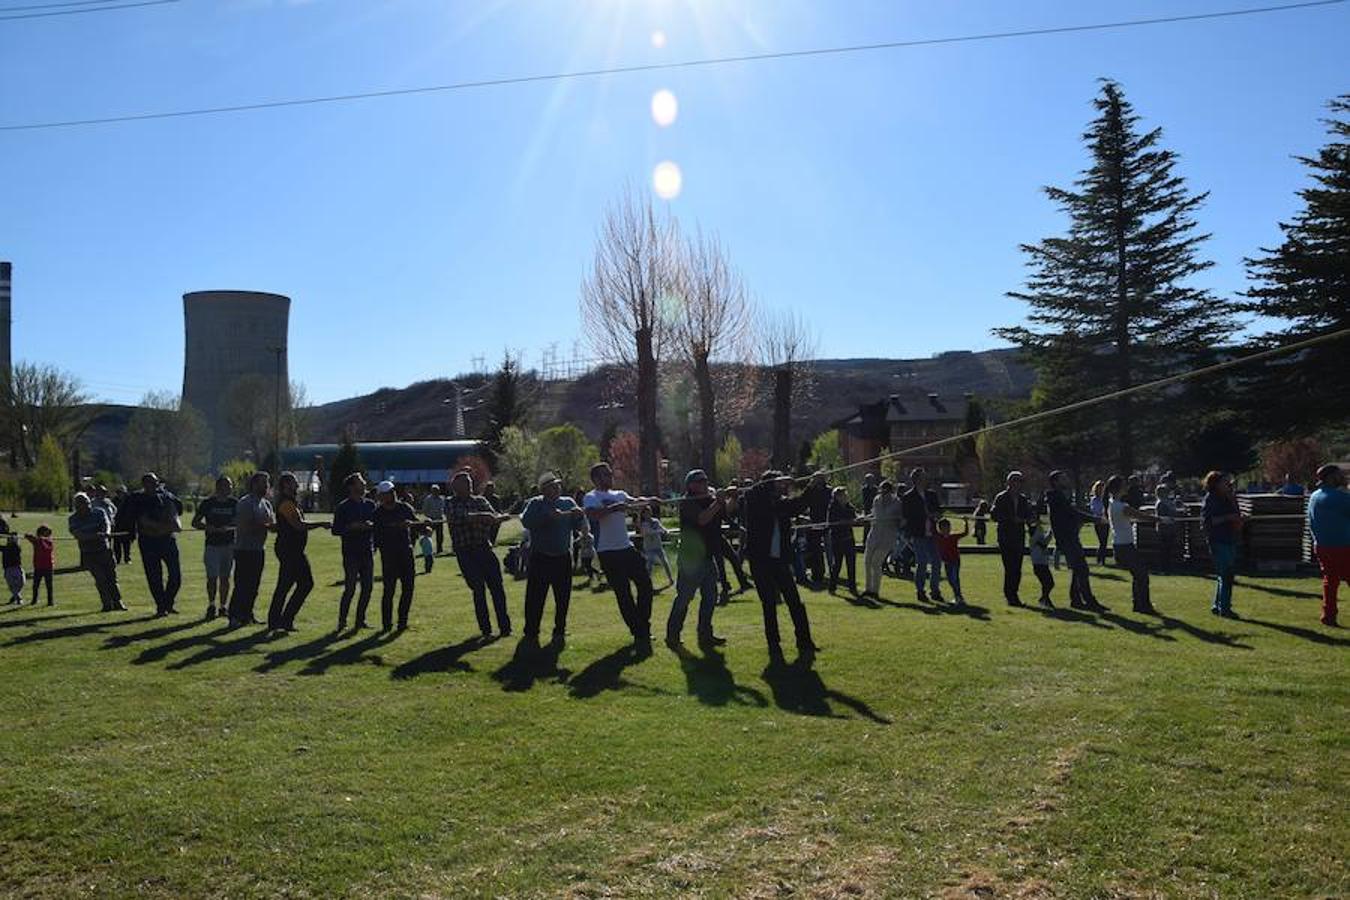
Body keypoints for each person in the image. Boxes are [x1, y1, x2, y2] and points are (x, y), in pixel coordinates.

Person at [743, 470, 818, 662]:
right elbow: (753, 492)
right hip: (760, 561)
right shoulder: (755, 500)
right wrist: (775, 480)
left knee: (795, 602)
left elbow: (799, 505)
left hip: (780, 561)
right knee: (769, 604)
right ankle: (774, 645)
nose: (781, 489)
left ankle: (804, 640)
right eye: (776, 485)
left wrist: (812, 484)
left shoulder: (781, 503)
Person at [584, 462, 659, 647]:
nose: (609, 477)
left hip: (626, 548)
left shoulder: (619, 494)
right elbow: (593, 515)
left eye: (609, 474)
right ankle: (639, 631)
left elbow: (634, 501)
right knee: (623, 594)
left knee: (645, 585)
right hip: (607, 552)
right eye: (604, 475)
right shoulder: (591, 497)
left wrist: (650, 500)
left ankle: (643, 624)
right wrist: (613, 508)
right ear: (594, 479)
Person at [446, 470, 515, 638]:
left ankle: (505, 628)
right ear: (456, 487)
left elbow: (493, 517)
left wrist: (498, 518)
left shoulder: (480, 500)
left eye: (470, 482)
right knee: (478, 588)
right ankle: (486, 629)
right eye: (465, 483)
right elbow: (458, 517)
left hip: (484, 548)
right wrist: (482, 517)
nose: (470, 485)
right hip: (465, 552)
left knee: (497, 588)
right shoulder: (450, 503)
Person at [519, 471, 587, 641]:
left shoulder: (568, 502)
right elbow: (526, 522)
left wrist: (579, 516)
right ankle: (531, 631)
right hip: (540, 557)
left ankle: (560, 630)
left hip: (563, 557)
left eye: (558, 485)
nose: (557, 488)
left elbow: (577, 526)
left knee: (563, 598)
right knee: (535, 598)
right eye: (552, 486)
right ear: (544, 490)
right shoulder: (535, 503)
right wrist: (546, 517)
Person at [665, 469, 729, 648]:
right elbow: (702, 519)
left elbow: (726, 512)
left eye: (706, 480)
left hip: (708, 556)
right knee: (684, 598)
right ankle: (672, 635)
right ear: (691, 485)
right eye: (700, 481)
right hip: (691, 559)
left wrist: (732, 496)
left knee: (710, 597)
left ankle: (705, 635)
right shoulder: (687, 502)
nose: (705, 483)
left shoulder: (710, 499)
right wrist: (718, 502)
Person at [267, 472, 325, 632]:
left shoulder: (292, 502)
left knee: (294, 584)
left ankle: (281, 621)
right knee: (298, 584)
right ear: (285, 485)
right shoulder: (286, 503)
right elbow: (298, 525)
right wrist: (321, 524)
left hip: (294, 549)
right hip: (289, 550)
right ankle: (279, 621)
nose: (297, 485)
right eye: (293, 482)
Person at [1041, 471, 1107, 612]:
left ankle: (1076, 600)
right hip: (1067, 537)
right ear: (1055, 481)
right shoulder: (1057, 497)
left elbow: (1072, 512)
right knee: (1082, 569)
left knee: (1078, 569)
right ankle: (1088, 600)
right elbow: (1072, 513)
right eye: (1062, 478)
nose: (1066, 479)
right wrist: (1095, 519)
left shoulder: (1059, 496)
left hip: (1069, 536)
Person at [122, 473, 184, 617]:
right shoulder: (138, 500)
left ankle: (168, 603)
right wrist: (164, 526)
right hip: (148, 542)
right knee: (154, 577)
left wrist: (165, 527)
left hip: (168, 541)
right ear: (143, 485)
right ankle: (161, 607)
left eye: (154, 482)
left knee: (176, 576)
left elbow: (176, 519)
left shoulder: (167, 497)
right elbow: (144, 522)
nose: (152, 486)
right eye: (148, 483)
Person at [1106, 474, 1158, 615]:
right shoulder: (1121, 506)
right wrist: (1160, 519)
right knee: (1142, 575)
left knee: (1139, 575)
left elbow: (1134, 516)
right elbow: (1140, 516)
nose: (1126, 487)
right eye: (1124, 485)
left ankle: (1139, 605)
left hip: (1121, 545)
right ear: (1119, 488)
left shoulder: (1112, 503)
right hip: (1125, 546)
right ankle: (1143, 606)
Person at [228, 472, 275, 628]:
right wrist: (264, 525)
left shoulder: (266, 504)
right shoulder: (245, 503)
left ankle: (247, 614)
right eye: (263, 482)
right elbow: (244, 526)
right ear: (254, 484)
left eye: (267, 482)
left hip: (259, 549)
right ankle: (234, 616)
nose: (266, 485)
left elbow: (271, 524)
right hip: (244, 549)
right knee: (242, 584)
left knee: (254, 585)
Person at [331, 472, 377, 630]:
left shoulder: (370, 505)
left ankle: (360, 620)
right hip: (351, 552)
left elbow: (378, 525)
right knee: (350, 588)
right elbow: (335, 530)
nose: (364, 484)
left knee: (368, 587)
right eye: (360, 482)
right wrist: (350, 527)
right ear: (351, 487)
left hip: (367, 550)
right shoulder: (343, 507)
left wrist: (370, 526)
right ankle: (342, 621)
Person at [372, 479, 419, 631]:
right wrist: (395, 526)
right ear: (381, 496)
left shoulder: (405, 508)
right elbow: (376, 534)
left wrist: (424, 527)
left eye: (391, 493)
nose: (389, 496)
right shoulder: (377, 513)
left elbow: (416, 523)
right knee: (389, 590)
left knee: (408, 588)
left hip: (406, 551)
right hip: (389, 555)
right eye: (385, 494)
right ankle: (387, 623)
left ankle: (402, 621)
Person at [1308, 464, 1350, 627]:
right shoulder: (1341, 498)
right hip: (1343, 546)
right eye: (1339, 475)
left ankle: (1328, 615)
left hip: (1322, 545)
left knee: (1330, 582)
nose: (1343, 477)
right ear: (1331, 477)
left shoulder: (1314, 496)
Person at [68, 491, 125, 611]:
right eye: (82, 504)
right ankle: (106, 604)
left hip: (105, 550)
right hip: (89, 553)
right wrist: (95, 536)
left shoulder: (99, 512)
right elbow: (78, 535)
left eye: (87, 503)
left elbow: (107, 525)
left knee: (112, 578)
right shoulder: (73, 519)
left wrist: (106, 533)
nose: (86, 506)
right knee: (100, 579)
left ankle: (118, 602)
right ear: (77, 506)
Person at [192, 475, 238, 620]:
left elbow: (240, 522)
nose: (229, 488)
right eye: (226, 485)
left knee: (225, 578)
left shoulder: (235, 503)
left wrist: (230, 527)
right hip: (212, 546)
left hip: (229, 546)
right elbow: (195, 522)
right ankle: (211, 605)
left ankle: (223, 607)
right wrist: (208, 527)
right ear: (218, 487)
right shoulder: (208, 503)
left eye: (230, 485)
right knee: (212, 578)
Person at [1201, 471, 1243, 619]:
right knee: (1226, 574)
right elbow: (1208, 522)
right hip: (1218, 540)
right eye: (1225, 482)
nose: (1228, 484)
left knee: (1224, 574)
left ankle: (1217, 605)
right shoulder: (1211, 500)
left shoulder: (1227, 498)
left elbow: (1236, 513)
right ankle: (1224, 608)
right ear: (1216, 484)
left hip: (1230, 538)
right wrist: (1228, 517)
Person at [901, 467, 943, 603]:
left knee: (936, 562)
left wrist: (936, 515)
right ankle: (920, 591)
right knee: (922, 563)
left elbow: (938, 511)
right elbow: (907, 516)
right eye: (923, 477)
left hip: (932, 533)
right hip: (919, 534)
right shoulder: (908, 497)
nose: (926, 479)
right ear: (917, 479)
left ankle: (935, 590)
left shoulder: (932, 495)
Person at [991, 471, 1032, 607]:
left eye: (1020, 481)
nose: (1018, 484)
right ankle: (1011, 596)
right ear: (1009, 483)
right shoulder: (1001, 497)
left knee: (1017, 568)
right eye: (1015, 481)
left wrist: (1027, 519)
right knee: (1010, 567)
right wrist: (1010, 519)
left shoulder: (1023, 499)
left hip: (1018, 537)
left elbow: (1028, 514)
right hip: (1005, 537)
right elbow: (994, 515)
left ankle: (1014, 593)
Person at [862, 480, 901, 600]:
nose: (883, 493)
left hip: (888, 536)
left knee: (876, 562)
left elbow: (900, 519)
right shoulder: (877, 499)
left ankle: (875, 591)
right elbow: (874, 514)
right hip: (874, 533)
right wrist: (862, 517)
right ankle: (868, 589)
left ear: (891, 491)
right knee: (867, 561)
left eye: (886, 491)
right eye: (882, 490)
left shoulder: (897, 502)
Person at [826, 486, 858, 595]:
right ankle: (832, 586)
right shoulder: (832, 507)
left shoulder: (849, 506)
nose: (846, 496)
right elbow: (832, 523)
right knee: (837, 564)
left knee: (851, 564)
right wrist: (845, 521)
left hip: (849, 538)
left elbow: (853, 517)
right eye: (844, 495)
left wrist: (854, 519)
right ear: (838, 497)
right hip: (837, 539)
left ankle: (852, 587)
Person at [801, 472, 830, 587]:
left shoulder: (828, 491)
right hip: (813, 522)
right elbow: (803, 501)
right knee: (815, 549)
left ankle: (831, 572)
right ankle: (817, 573)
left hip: (826, 523)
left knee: (829, 550)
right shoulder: (811, 491)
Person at [934, 517, 968, 605]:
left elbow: (965, 533)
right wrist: (935, 519)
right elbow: (933, 529)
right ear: (940, 529)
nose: (947, 530)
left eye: (948, 528)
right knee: (950, 579)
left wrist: (965, 522)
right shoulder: (938, 537)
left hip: (955, 561)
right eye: (944, 528)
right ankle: (957, 595)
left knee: (955, 578)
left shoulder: (954, 536)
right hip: (946, 562)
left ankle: (959, 596)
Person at [638, 506, 673, 587]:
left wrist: (665, 530)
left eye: (649, 512)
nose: (648, 514)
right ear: (643, 514)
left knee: (665, 562)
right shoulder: (643, 524)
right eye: (646, 513)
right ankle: (647, 583)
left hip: (658, 546)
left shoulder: (655, 521)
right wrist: (659, 531)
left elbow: (661, 527)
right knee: (649, 565)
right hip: (649, 547)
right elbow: (649, 532)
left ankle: (670, 579)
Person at [23, 525, 55, 606]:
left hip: (48, 566)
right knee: (35, 585)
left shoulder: (49, 541)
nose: (49, 533)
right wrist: (29, 536)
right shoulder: (36, 541)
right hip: (38, 566)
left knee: (49, 585)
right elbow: (28, 536)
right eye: (47, 532)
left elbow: (47, 549)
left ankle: (50, 602)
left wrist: (42, 540)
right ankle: (34, 600)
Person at [1027, 519, 1055, 609]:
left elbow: (1046, 539)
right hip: (1039, 565)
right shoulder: (1033, 541)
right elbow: (1043, 541)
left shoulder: (1038, 539)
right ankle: (1044, 599)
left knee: (1048, 583)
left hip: (1043, 564)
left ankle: (1045, 599)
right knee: (1049, 583)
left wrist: (1051, 530)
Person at [1154, 485, 1182, 573]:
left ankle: (1168, 566)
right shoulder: (1161, 503)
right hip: (1164, 528)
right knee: (1165, 549)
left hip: (1170, 527)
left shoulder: (1168, 502)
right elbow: (1163, 516)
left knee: (1169, 548)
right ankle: (1164, 567)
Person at [111, 485, 135, 565]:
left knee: (126, 543)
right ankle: (117, 559)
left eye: (122, 492)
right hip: (117, 525)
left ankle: (127, 558)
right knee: (116, 544)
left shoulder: (129, 501)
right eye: (119, 492)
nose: (120, 494)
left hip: (127, 525)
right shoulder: (114, 501)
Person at [1088, 480, 1110, 565]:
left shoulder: (1105, 499)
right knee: (1102, 542)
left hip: (1106, 522)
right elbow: (1095, 510)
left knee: (1104, 542)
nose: (1101, 490)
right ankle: (1099, 559)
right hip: (1098, 522)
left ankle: (1102, 560)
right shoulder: (1094, 499)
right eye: (1100, 488)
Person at [422, 484, 447, 554]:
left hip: (439, 519)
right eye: (434, 490)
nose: (436, 492)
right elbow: (424, 510)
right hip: (431, 519)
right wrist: (429, 517)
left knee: (440, 536)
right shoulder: (428, 499)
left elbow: (444, 509)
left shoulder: (442, 499)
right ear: (432, 491)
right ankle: (427, 549)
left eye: (437, 490)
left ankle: (439, 549)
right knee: (428, 535)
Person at [3, 534, 25, 605]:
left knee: (22, 583)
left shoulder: (17, 547)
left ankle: (15, 596)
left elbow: (17, 548)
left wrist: (15, 540)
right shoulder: (5, 548)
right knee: (12, 585)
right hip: (8, 569)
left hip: (17, 567)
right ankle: (19, 598)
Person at [860, 473, 878, 545]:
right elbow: (866, 500)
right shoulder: (864, 489)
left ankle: (874, 541)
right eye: (868, 480)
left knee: (874, 527)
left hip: (874, 509)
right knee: (867, 527)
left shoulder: (875, 489)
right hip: (867, 509)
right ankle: (865, 542)